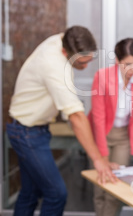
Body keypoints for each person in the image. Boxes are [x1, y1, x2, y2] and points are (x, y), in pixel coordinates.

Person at [7, 26, 117, 216]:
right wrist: (98, 160)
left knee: (29, 193)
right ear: (66, 52)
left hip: (31, 128)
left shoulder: (64, 39)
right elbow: (75, 117)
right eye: (82, 63)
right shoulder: (54, 66)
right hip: (27, 134)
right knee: (56, 194)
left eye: (89, 60)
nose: (85, 67)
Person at [88, 37, 133, 216]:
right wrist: (104, 158)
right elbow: (98, 119)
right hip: (101, 135)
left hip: (123, 136)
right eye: (127, 64)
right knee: (100, 187)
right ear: (117, 60)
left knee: (115, 188)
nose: (132, 69)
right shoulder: (102, 76)